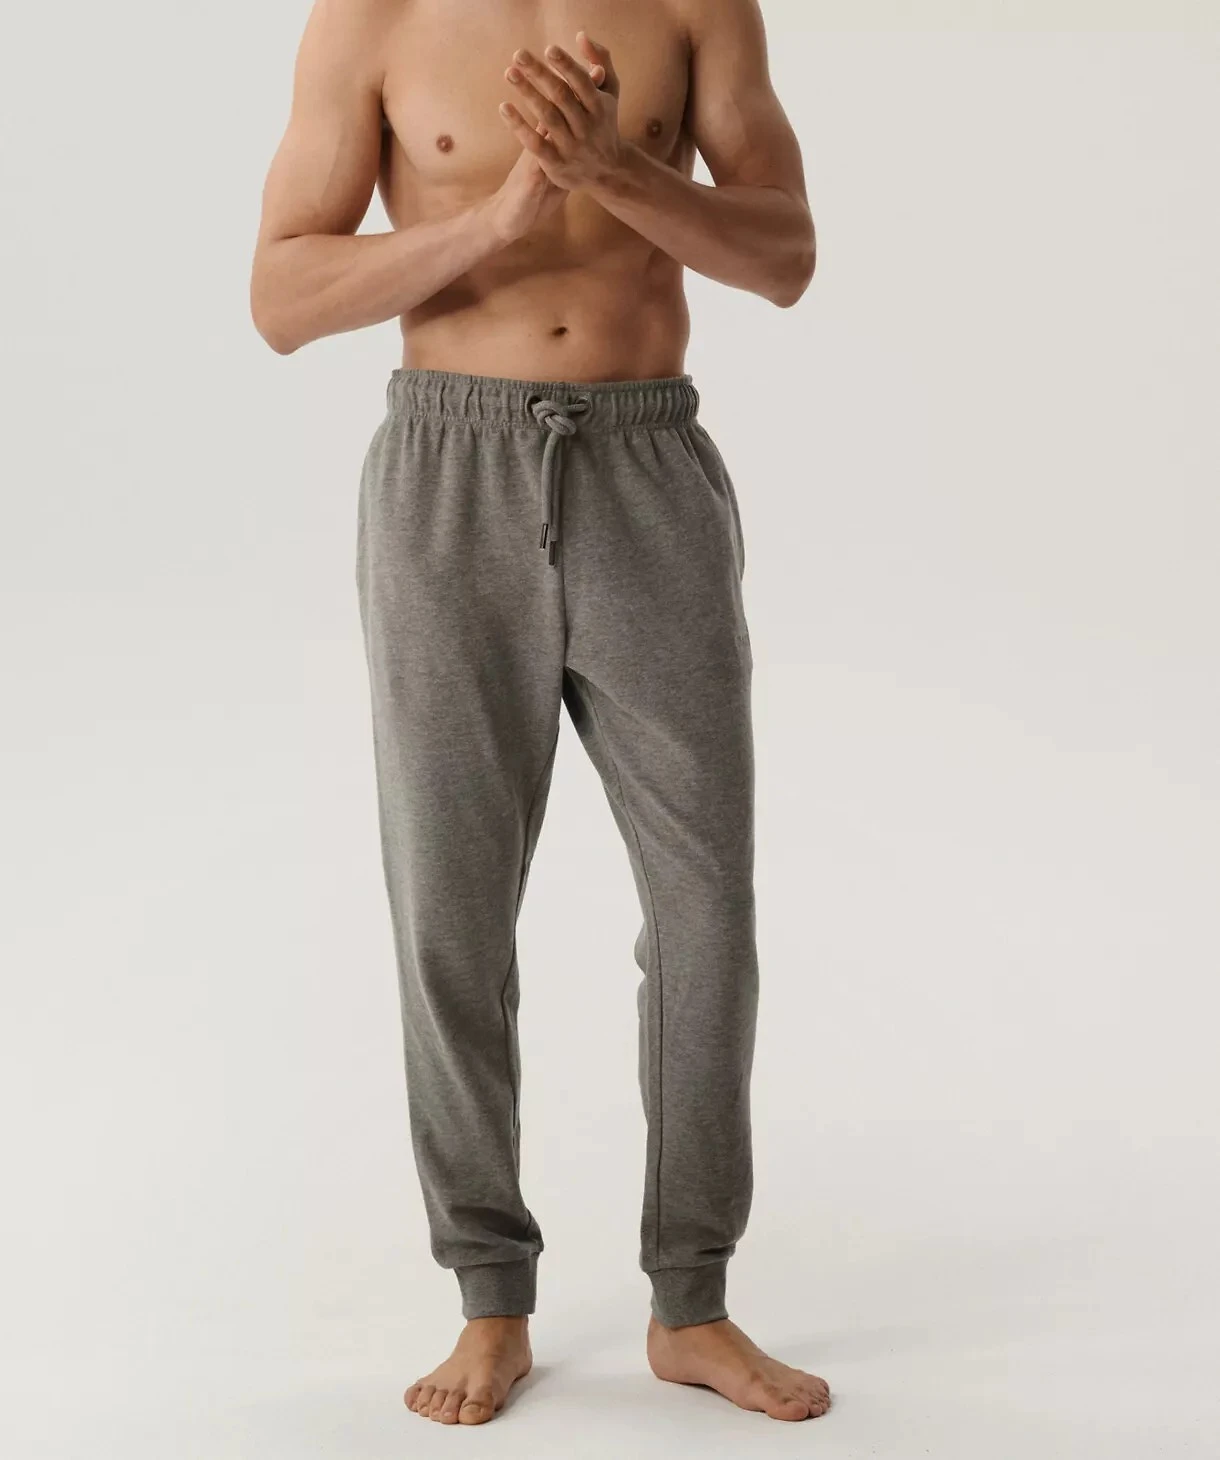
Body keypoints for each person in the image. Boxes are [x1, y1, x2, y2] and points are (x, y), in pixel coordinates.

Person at [250, 0, 825, 1428]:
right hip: (449, 475)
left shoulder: (697, 8)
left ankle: (693, 1302)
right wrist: (501, 212)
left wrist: (618, 173)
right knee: (450, 912)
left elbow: (786, 256)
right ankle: (489, 1298)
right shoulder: (373, 18)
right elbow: (282, 296)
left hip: (648, 463)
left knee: (707, 911)